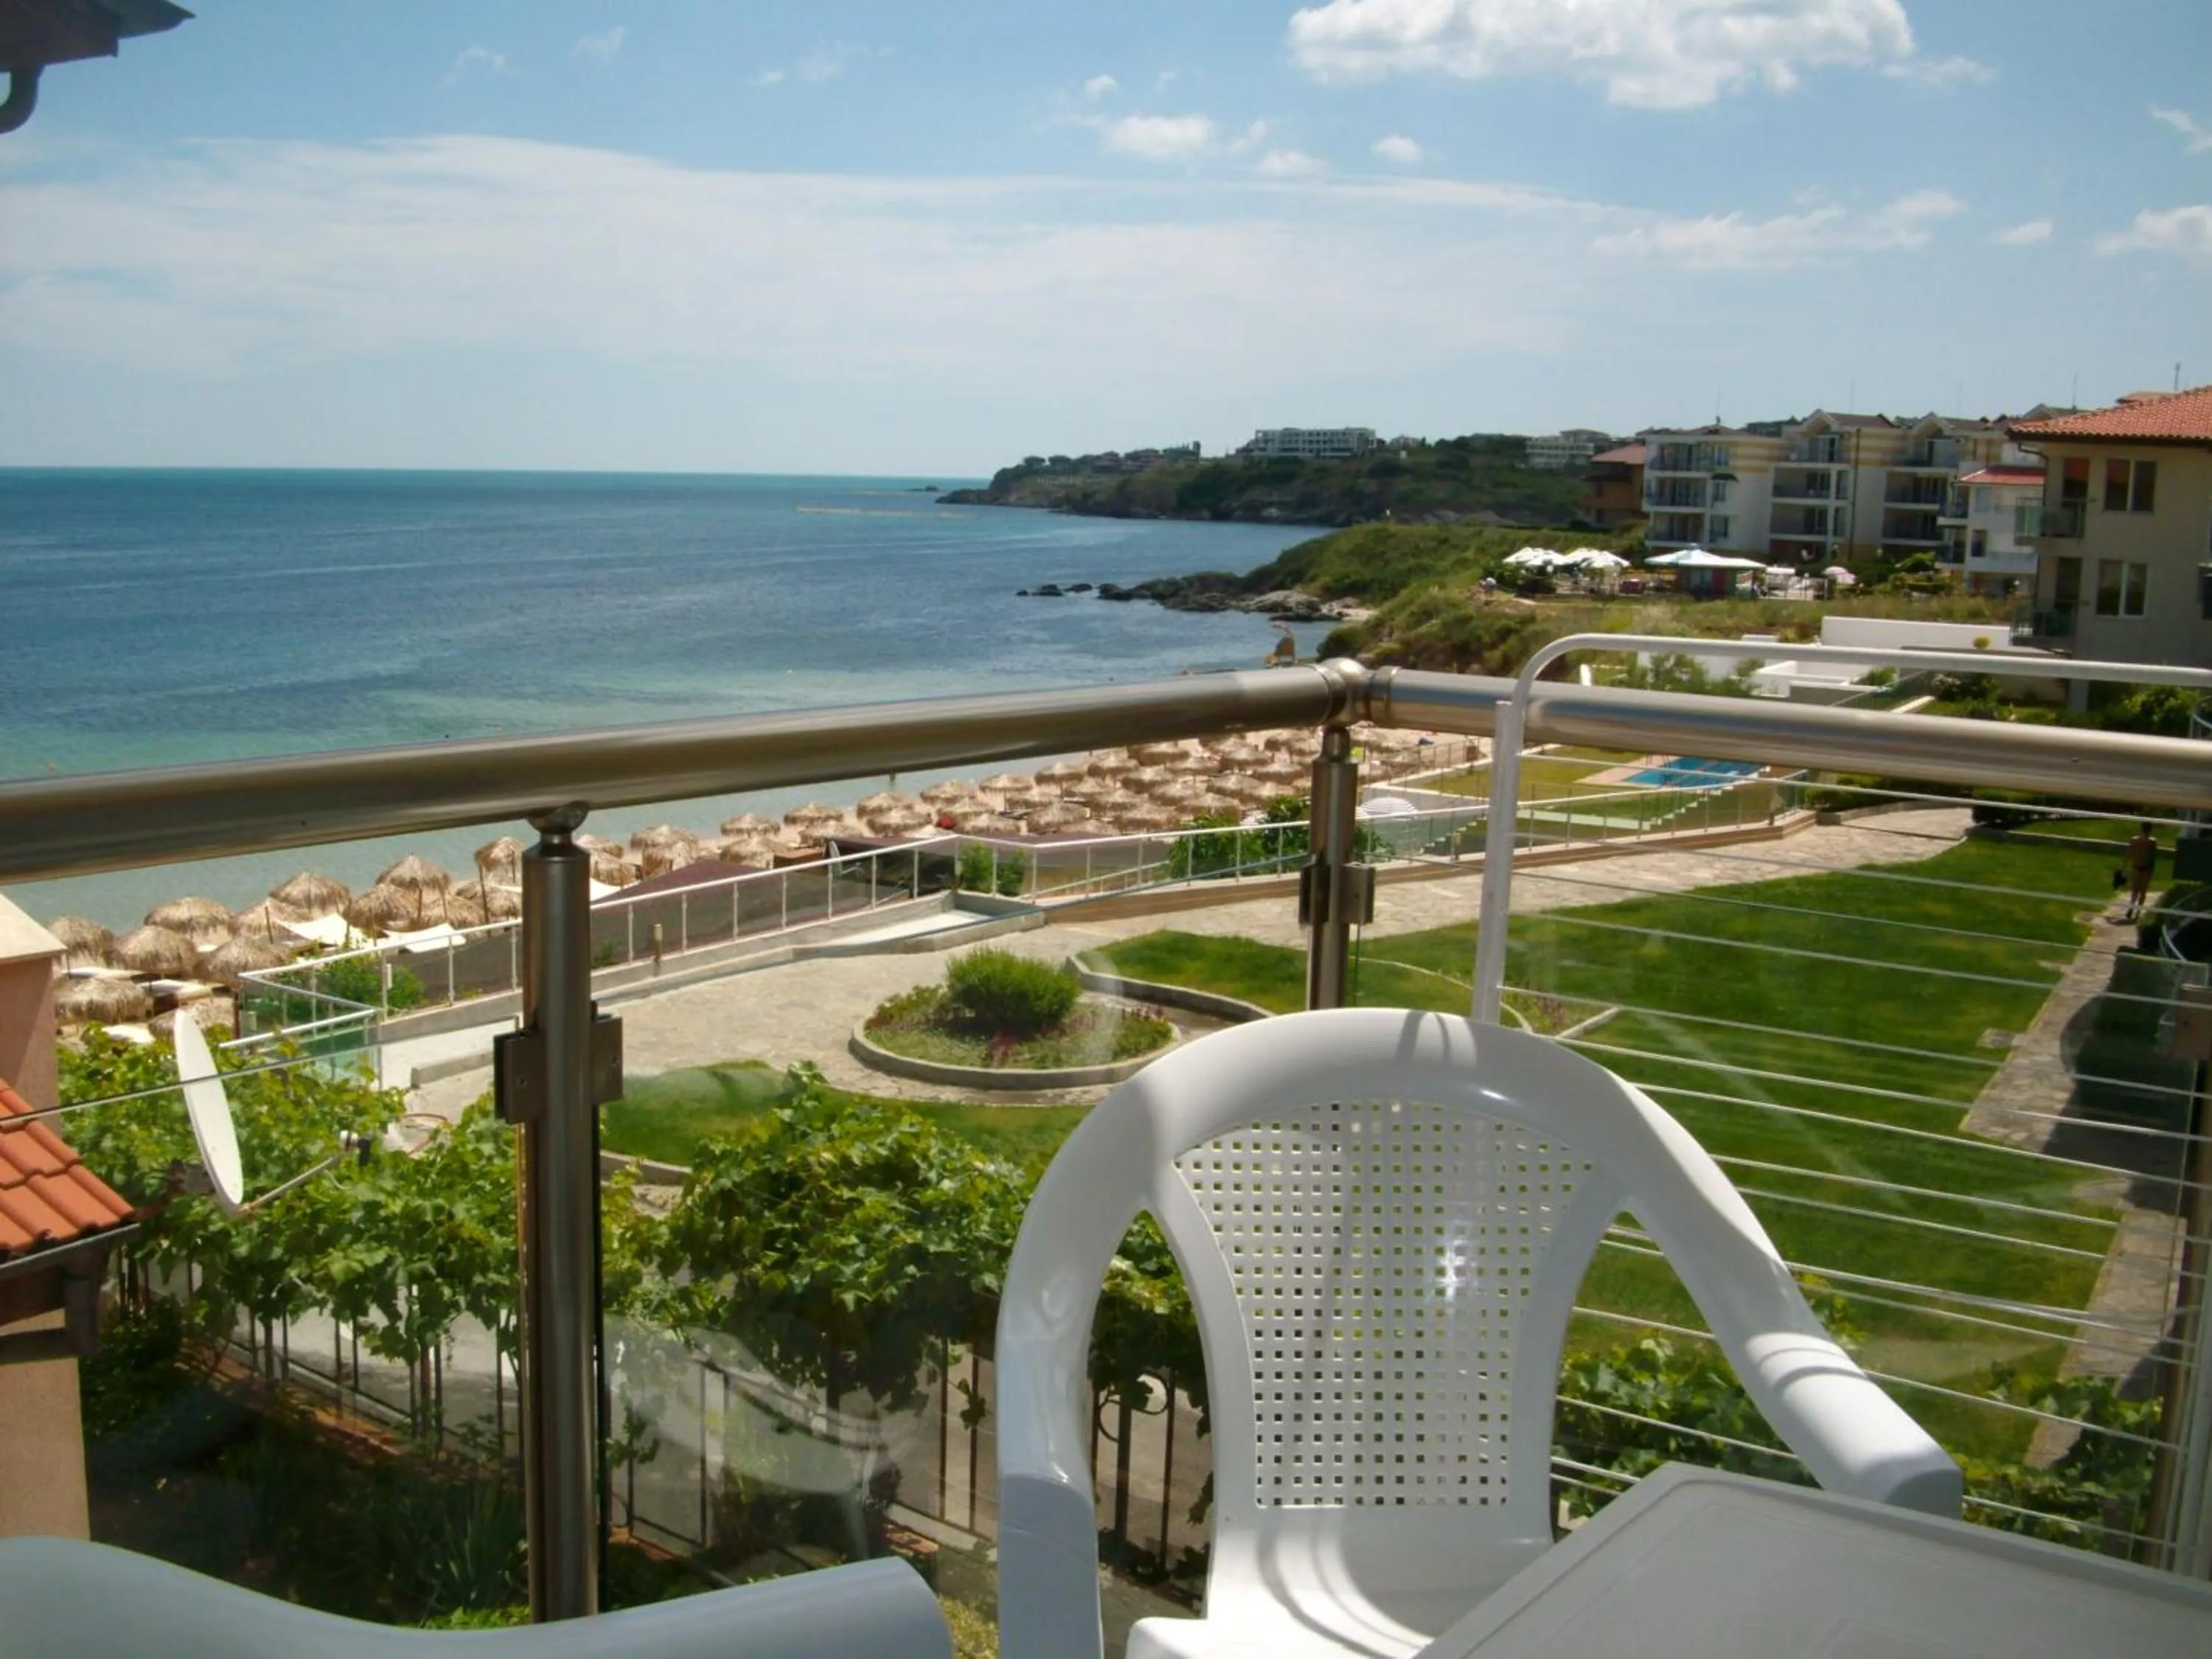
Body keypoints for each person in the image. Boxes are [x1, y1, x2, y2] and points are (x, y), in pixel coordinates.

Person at [2125, 821, 2158, 922]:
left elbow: (2129, 854)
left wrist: (2124, 866)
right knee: (2143, 891)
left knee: (2135, 890)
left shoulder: (2134, 840)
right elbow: (2153, 857)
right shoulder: (2152, 841)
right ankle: (2138, 911)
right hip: (2146, 868)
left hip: (2136, 867)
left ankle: (2132, 907)